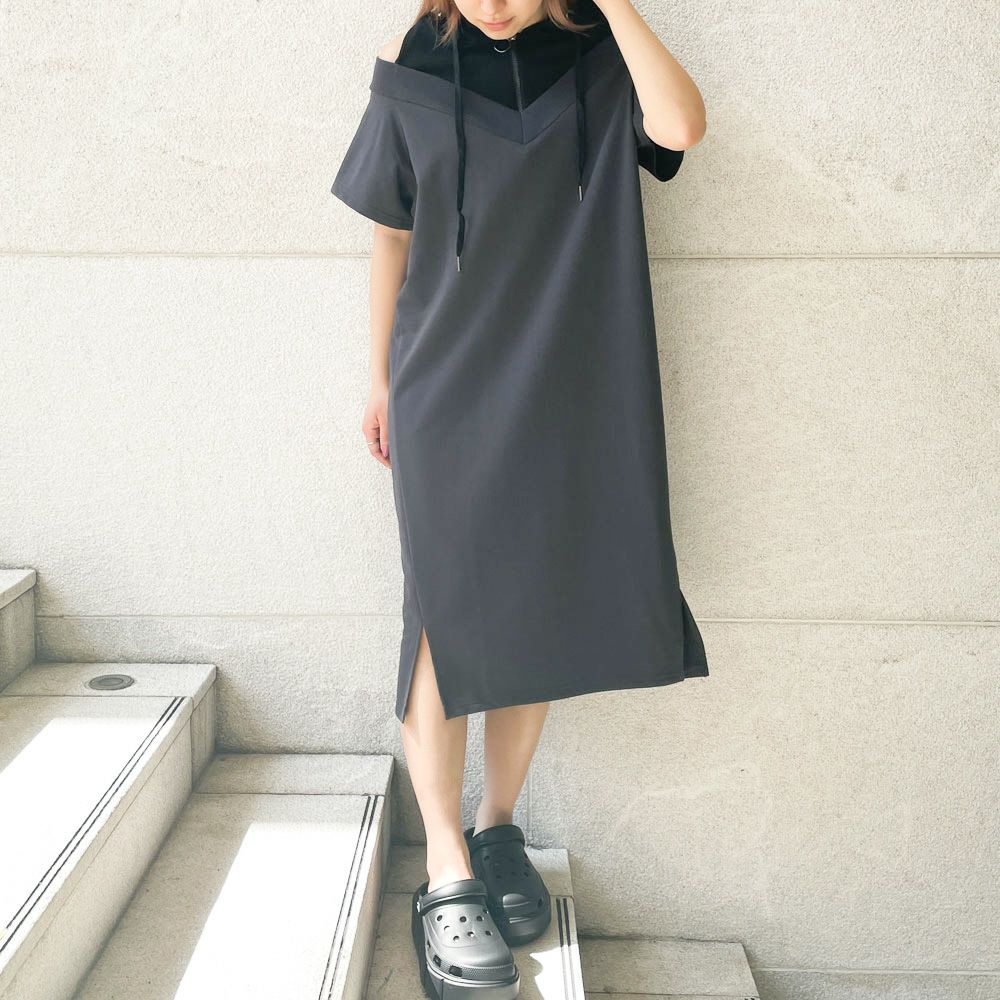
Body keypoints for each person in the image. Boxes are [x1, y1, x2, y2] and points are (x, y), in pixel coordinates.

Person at [331, 1, 708, 995]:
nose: (494, 1)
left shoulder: (600, 58)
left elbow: (680, 127)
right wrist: (378, 379)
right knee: (441, 614)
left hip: (568, 382)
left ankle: (497, 826)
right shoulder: (414, 62)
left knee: (536, 602)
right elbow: (390, 234)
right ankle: (446, 865)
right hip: (442, 386)